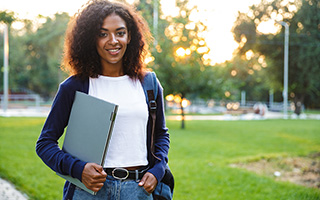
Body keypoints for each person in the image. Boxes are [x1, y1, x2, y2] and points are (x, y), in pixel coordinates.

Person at [35, 0, 170, 199]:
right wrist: (78, 169)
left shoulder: (148, 83)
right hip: (89, 191)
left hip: (138, 189)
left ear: (130, 36)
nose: (113, 40)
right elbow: (45, 143)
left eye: (120, 32)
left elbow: (161, 135)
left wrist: (158, 170)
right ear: (91, 38)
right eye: (103, 33)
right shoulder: (75, 87)